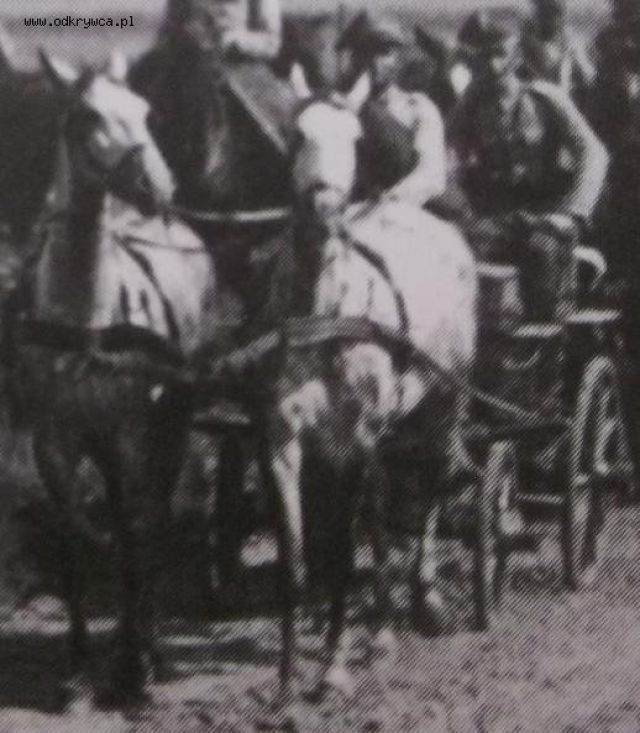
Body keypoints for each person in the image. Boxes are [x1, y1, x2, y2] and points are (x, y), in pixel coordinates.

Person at [448, 14, 609, 322]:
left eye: (499, 54)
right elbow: (447, 157)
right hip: (495, 217)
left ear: (517, 52)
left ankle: (546, 337)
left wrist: (572, 213)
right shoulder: (469, 107)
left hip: (546, 216)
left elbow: (593, 153)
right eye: (482, 57)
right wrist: (460, 207)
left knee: (541, 258)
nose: (492, 66)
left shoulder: (545, 98)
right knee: (454, 255)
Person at [336, 11, 447, 208]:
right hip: (346, 213)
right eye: (363, 52)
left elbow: (431, 174)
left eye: (384, 53)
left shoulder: (418, 109)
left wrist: (388, 201)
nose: (373, 62)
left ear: (397, 59)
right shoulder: (333, 111)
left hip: (406, 213)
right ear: (352, 58)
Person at [519, 0, 594, 102]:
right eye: (542, 11)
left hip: (560, 98)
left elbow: (588, 76)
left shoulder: (569, 41)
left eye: (553, 12)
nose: (544, 17)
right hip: (535, 96)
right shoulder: (527, 38)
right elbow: (519, 73)